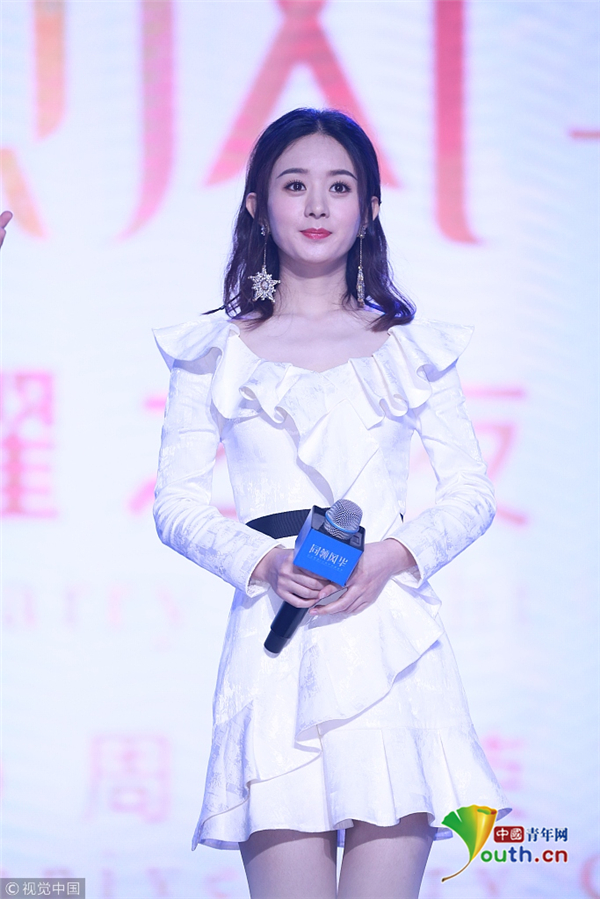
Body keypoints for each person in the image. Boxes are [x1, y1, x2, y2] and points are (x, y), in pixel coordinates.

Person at [153, 108, 510, 899]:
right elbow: (175, 503)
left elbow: (470, 492)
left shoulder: (411, 346)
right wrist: (264, 561)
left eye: (339, 187)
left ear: (369, 208)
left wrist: (392, 557)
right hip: (274, 646)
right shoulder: (213, 351)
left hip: (389, 646)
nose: (317, 205)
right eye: (295, 185)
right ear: (257, 205)